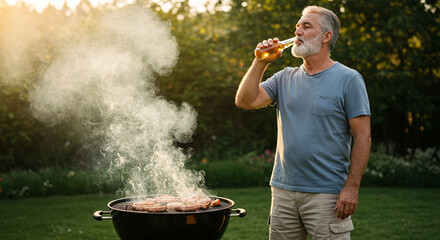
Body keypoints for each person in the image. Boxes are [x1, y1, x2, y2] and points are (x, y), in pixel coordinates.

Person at [235, 5, 371, 240]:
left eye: (306, 26)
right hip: (283, 191)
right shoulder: (284, 77)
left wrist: (351, 188)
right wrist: (260, 62)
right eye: (297, 26)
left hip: (326, 195)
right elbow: (245, 101)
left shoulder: (349, 79)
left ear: (326, 36)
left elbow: (363, 136)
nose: (297, 31)